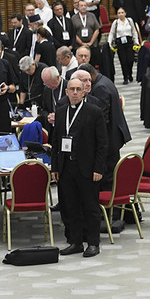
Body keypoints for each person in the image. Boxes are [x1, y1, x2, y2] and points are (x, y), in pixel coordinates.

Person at [51, 77, 108, 258]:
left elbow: (102, 144)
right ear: (66, 92)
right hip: (66, 168)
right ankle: (75, 242)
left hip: (88, 168)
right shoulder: (60, 112)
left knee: (90, 207)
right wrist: (55, 167)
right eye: (71, 89)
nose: (74, 93)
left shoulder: (94, 112)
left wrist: (99, 168)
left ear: (84, 92)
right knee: (70, 206)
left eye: (78, 89)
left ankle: (93, 243)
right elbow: (56, 141)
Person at [107, 7, 140, 84]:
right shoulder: (116, 22)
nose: (121, 14)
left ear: (125, 13)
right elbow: (111, 33)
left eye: (122, 12)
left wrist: (136, 41)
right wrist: (109, 43)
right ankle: (125, 77)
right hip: (120, 42)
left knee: (130, 59)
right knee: (123, 61)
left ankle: (130, 73)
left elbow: (134, 31)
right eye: (119, 13)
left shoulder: (129, 20)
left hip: (129, 41)